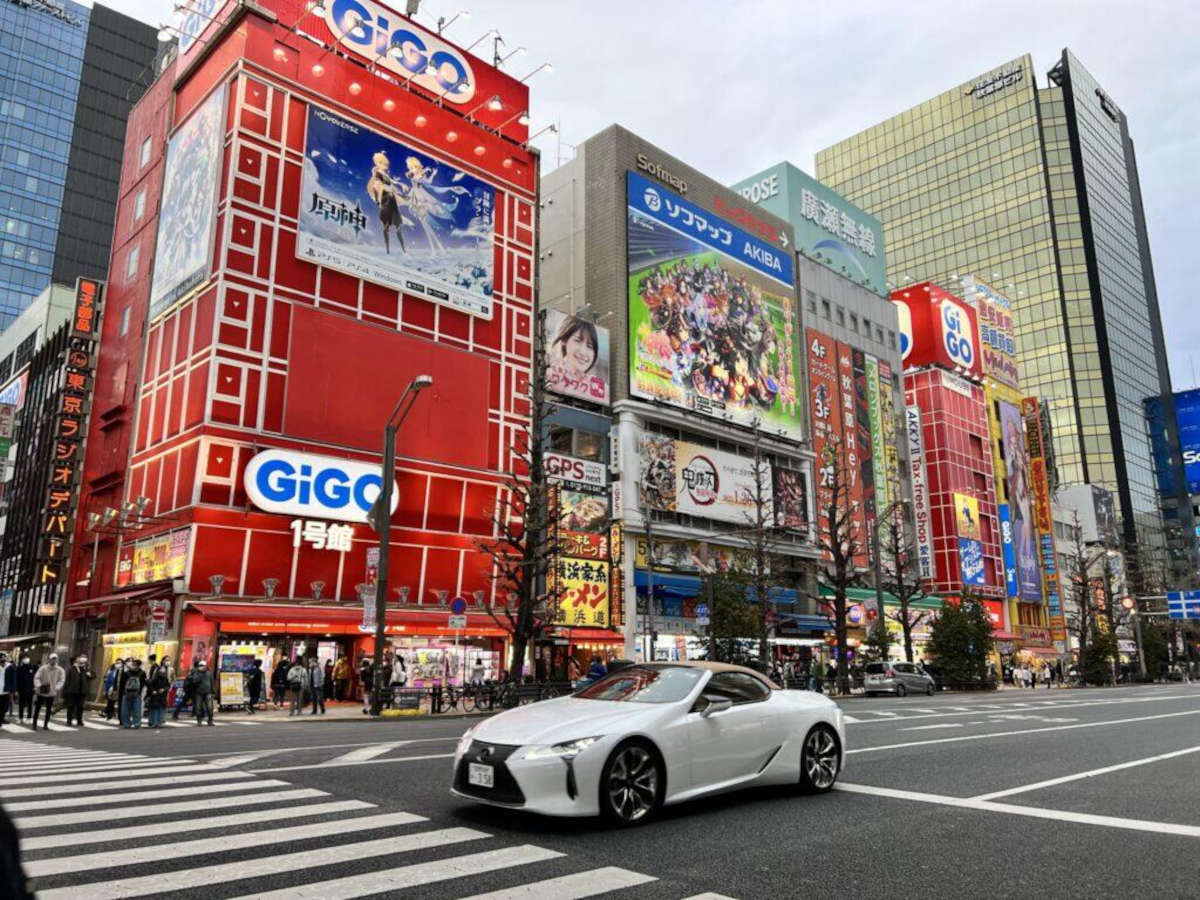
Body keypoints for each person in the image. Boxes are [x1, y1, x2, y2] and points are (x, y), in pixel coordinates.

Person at [32, 653, 65, 730]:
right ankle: (34, 723)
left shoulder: (60, 670)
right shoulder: (43, 668)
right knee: (38, 708)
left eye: (55, 658)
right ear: (49, 659)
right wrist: (39, 685)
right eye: (52, 658)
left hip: (51, 692)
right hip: (42, 691)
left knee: (48, 709)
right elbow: (36, 677)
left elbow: (62, 680)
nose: (53, 660)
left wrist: (56, 688)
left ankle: (45, 724)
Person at [63, 655, 93, 727]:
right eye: (78, 659)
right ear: (75, 661)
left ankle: (79, 721)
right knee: (71, 706)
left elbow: (92, 676)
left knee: (80, 706)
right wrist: (65, 691)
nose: (80, 660)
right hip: (72, 691)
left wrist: (88, 673)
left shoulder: (85, 669)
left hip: (82, 691)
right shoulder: (71, 669)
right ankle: (69, 721)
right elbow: (67, 681)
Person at [121, 659, 146, 729]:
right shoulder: (142, 673)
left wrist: (123, 692)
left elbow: (122, 683)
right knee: (137, 710)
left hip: (126, 693)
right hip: (137, 693)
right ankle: (137, 724)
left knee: (125, 710)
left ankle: (126, 724)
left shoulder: (126, 673)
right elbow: (143, 683)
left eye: (133, 664)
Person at [188, 659, 214, 725]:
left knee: (209, 707)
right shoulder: (196, 673)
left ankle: (210, 720)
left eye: (203, 665)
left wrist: (213, 692)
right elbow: (194, 681)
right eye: (200, 665)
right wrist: (199, 674)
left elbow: (212, 683)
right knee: (198, 707)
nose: (202, 667)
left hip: (208, 692)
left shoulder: (209, 673)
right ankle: (199, 721)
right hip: (198, 692)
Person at [146, 658, 170, 728]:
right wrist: (153, 691)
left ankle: (159, 722)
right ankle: (153, 722)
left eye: (164, 671)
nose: (163, 673)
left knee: (161, 709)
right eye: (161, 671)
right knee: (155, 709)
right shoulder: (155, 678)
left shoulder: (165, 679)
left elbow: (168, 685)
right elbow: (150, 684)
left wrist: (164, 689)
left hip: (162, 696)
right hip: (156, 696)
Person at [15, 656, 34, 724]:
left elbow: (34, 678)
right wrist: (16, 690)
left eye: (27, 658)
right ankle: (20, 718)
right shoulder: (19, 668)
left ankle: (29, 718)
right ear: (22, 660)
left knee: (29, 704)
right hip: (21, 689)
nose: (26, 660)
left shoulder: (32, 667)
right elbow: (17, 679)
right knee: (21, 704)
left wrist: (34, 687)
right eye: (25, 658)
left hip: (30, 689)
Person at [0, 653, 12, 725]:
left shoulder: (8, 667)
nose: (3, 661)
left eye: (4, 659)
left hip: (6, 690)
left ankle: (1, 718)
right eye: (2, 659)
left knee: (5, 707)